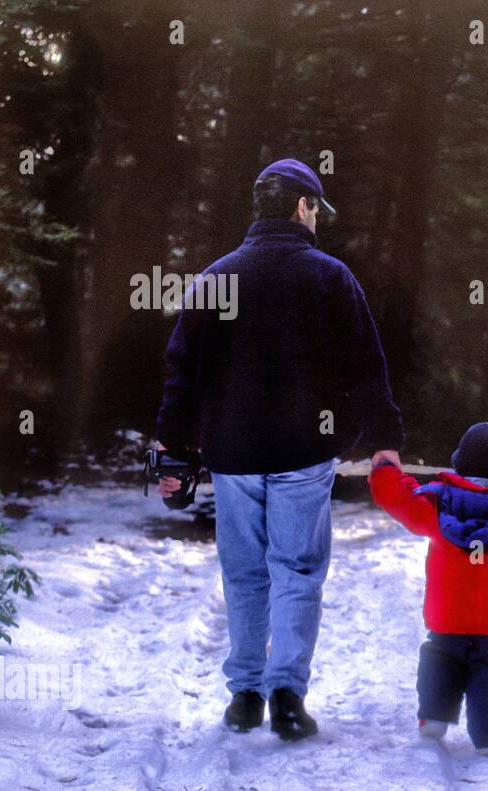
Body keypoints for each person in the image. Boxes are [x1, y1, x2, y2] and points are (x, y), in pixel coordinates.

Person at [155, 158, 403, 741]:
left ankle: (244, 696)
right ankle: (287, 696)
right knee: (296, 571)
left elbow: (181, 375)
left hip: (233, 454)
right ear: (301, 207)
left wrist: (172, 451)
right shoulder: (330, 277)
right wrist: (385, 442)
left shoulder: (215, 278)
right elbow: (369, 369)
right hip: (303, 452)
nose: (318, 220)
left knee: (244, 573)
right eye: (317, 209)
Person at [368, 421, 488, 755]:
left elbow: (397, 495)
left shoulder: (436, 503)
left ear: (459, 462)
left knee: (440, 659)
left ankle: (434, 714)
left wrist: (384, 468)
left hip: (448, 614)